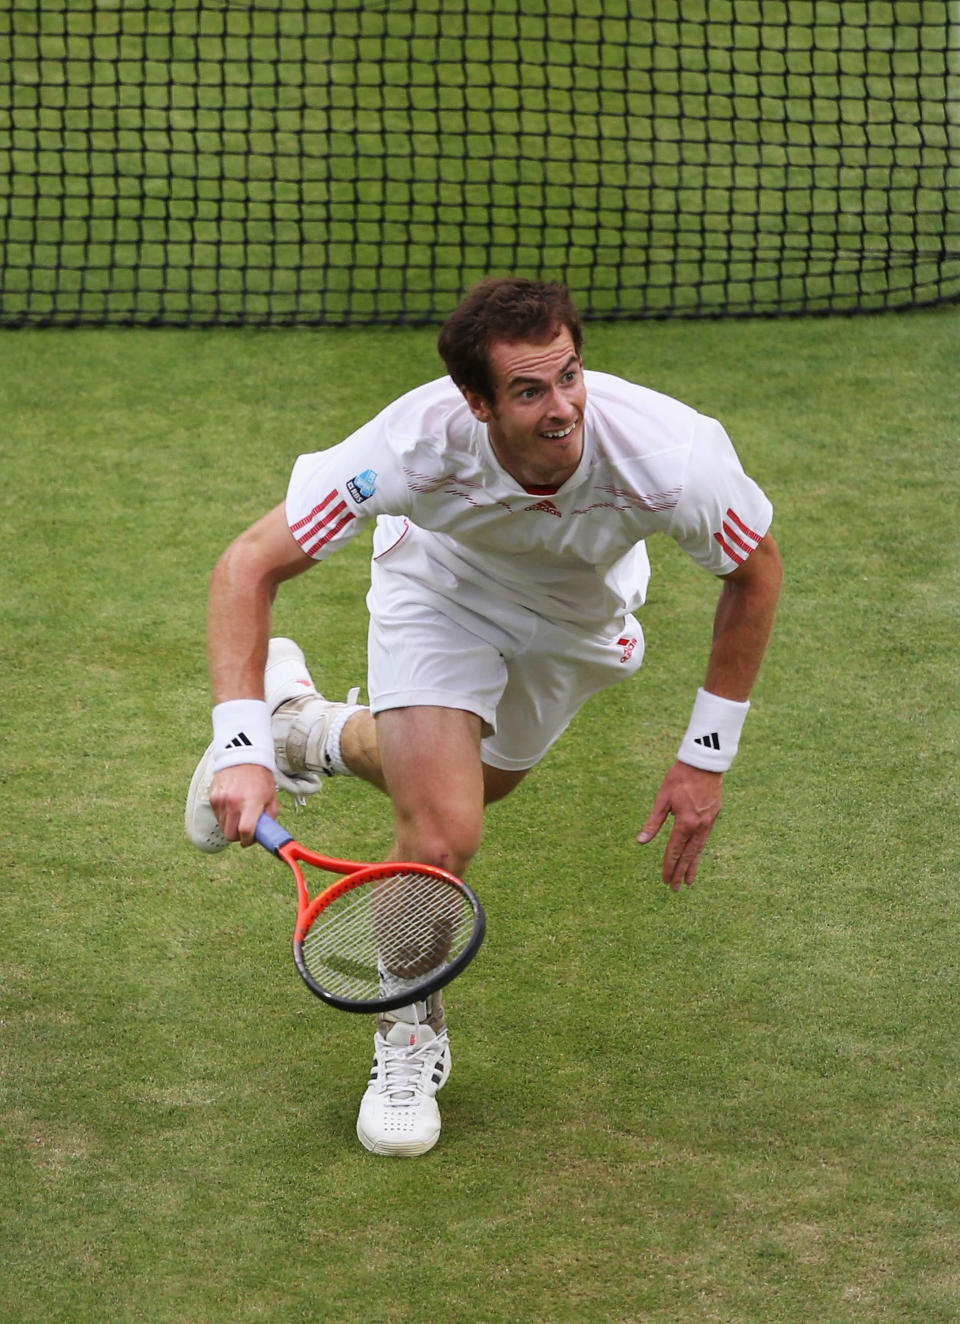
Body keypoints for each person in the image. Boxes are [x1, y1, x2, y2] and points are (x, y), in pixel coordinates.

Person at [185, 276, 782, 1157]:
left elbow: (754, 574)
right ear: (476, 403)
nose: (564, 408)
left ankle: (303, 729)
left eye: (571, 375)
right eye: (531, 391)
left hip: (579, 623)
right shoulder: (407, 444)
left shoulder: (671, 457)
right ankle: (405, 1031)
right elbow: (246, 568)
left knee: (483, 785)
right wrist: (234, 748)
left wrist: (705, 757)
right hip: (442, 595)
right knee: (440, 833)